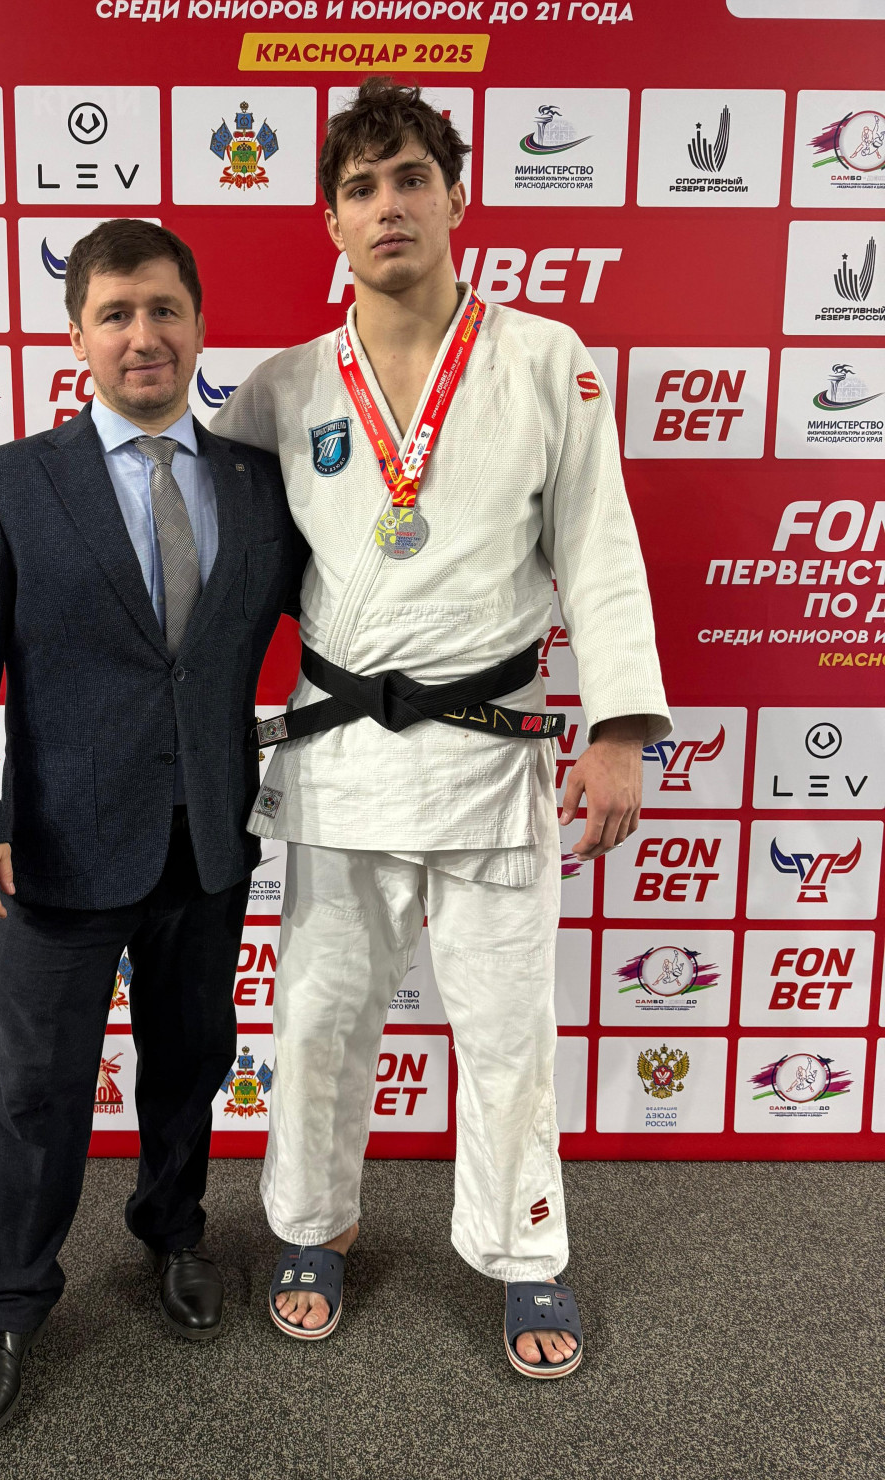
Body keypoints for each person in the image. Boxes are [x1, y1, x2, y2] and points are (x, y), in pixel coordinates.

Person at [210, 78, 670, 1378]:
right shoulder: (283, 388)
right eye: (360, 189)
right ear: (331, 223)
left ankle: (525, 1250)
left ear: (457, 195)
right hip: (340, 753)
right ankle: (312, 1226)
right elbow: (226, 587)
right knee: (319, 1017)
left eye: (411, 177)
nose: (389, 206)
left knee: (511, 1027)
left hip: (493, 749)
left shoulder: (546, 359)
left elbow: (599, 548)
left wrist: (620, 730)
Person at [0, 219, 305, 1447]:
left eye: (164, 309)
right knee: (40, 1091)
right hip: (56, 849)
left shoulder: (262, 481)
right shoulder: (7, 480)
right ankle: (7, 1302)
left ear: (199, 322)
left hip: (209, 842)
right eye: (116, 314)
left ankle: (173, 1232)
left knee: (189, 1061)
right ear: (77, 336)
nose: (144, 335)